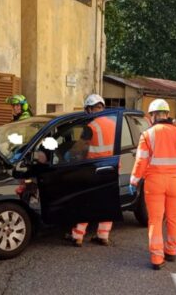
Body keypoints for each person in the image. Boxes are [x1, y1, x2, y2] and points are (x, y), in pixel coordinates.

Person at [129, 99, 176, 270]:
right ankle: (171, 252)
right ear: (167, 114)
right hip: (175, 182)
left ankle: (157, 258)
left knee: (155, 220)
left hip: (154, 182)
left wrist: (134, 181)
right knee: (173, 218)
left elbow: (141, 160)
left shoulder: (147, 134)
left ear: (152, 116)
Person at [69, 94, 116, 247]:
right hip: (110, 168)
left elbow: (80, 146)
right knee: (106, 203)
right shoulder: (113, 124)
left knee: (86, 202)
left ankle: (77, 236)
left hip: (94, 167)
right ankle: (103, 236)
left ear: (90, 109)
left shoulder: (91, 126)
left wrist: (69, 154)